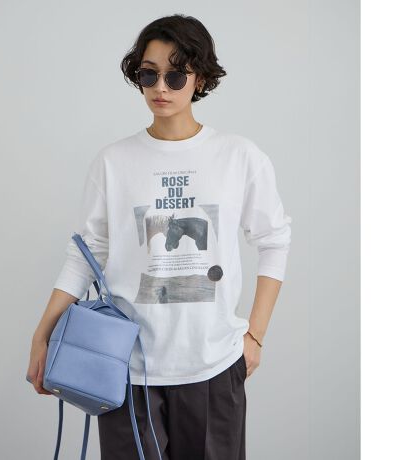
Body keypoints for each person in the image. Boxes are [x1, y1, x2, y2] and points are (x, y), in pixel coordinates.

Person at [26, 14, 292, 460]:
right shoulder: (113, 162)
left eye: (175, 75)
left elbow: (274, 240)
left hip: (214, 365)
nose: (160, 88)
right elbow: (86, 254)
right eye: (149, 74)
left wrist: (256, 336)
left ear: (199, 78)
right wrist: (42, 335)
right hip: (127, 369)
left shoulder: (239, 157)